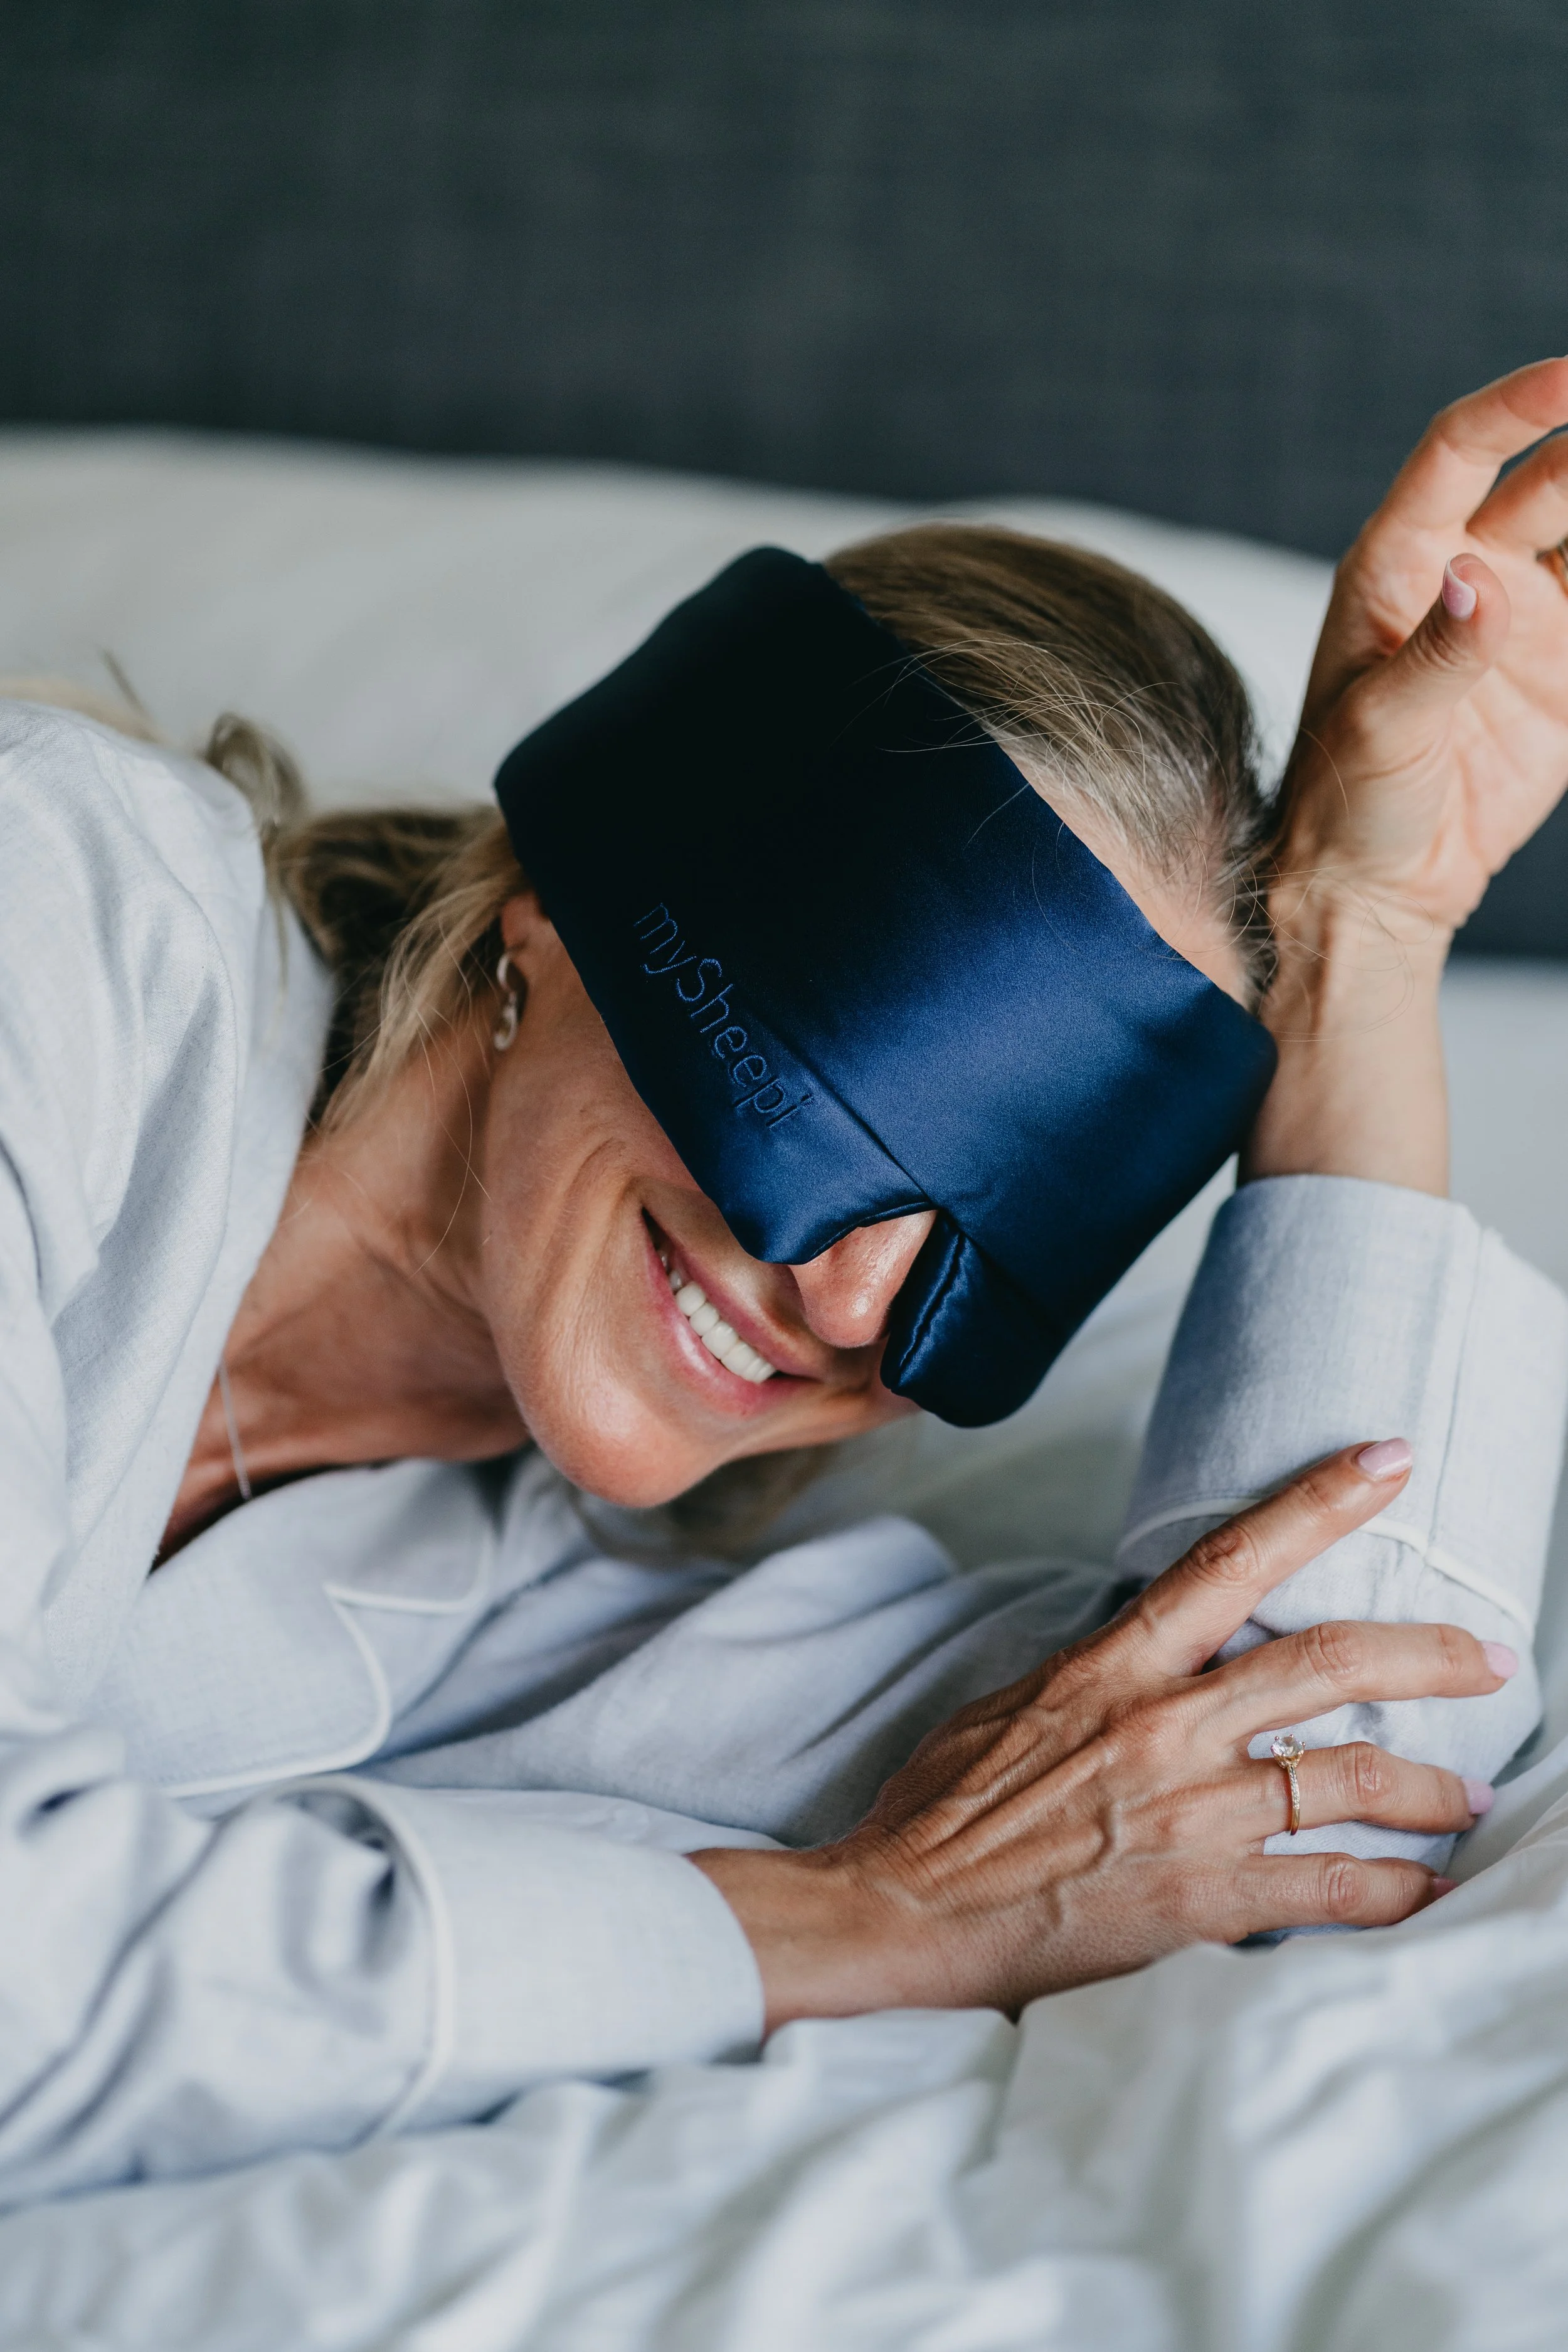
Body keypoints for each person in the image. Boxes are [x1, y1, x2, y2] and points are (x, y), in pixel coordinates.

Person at [0, 362, 1565, 2203]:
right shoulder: (64, 921)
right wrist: (848, 1923)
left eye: (995, 1221)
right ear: (573, 893)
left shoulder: (576, 1601)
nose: (849, 1306)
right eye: (857, 1077)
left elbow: (1323, 1793)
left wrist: (1363, 942)